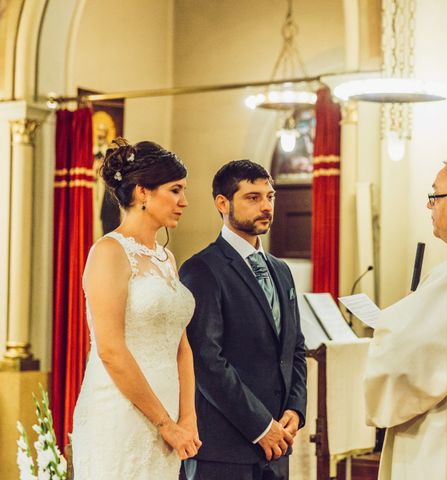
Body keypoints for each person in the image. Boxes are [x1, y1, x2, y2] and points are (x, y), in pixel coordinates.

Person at [72, 138, 202, 479]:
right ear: (143, 192)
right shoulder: (109, 252)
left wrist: (186, 417)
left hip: (169, 417)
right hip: (121, 413)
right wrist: (164, 422)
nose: (184, 201)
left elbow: (182, 347)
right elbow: (111, 350)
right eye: (175, 190)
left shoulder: (166, 258)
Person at [180, 159, 307, 480]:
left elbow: (295, 349)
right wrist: (261, 426)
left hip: (278, 445)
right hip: (225, 449)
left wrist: (295, 410)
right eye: (253, 197)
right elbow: (207, 361)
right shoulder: (203, 269)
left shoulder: (281, 270)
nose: (266, 206)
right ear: (223, 203)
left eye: (270, 196)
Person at [364, 163, 447, 480]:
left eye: (435, 196)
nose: (429, 205)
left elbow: (403, 360)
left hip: (441, 439)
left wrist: (394, 323)